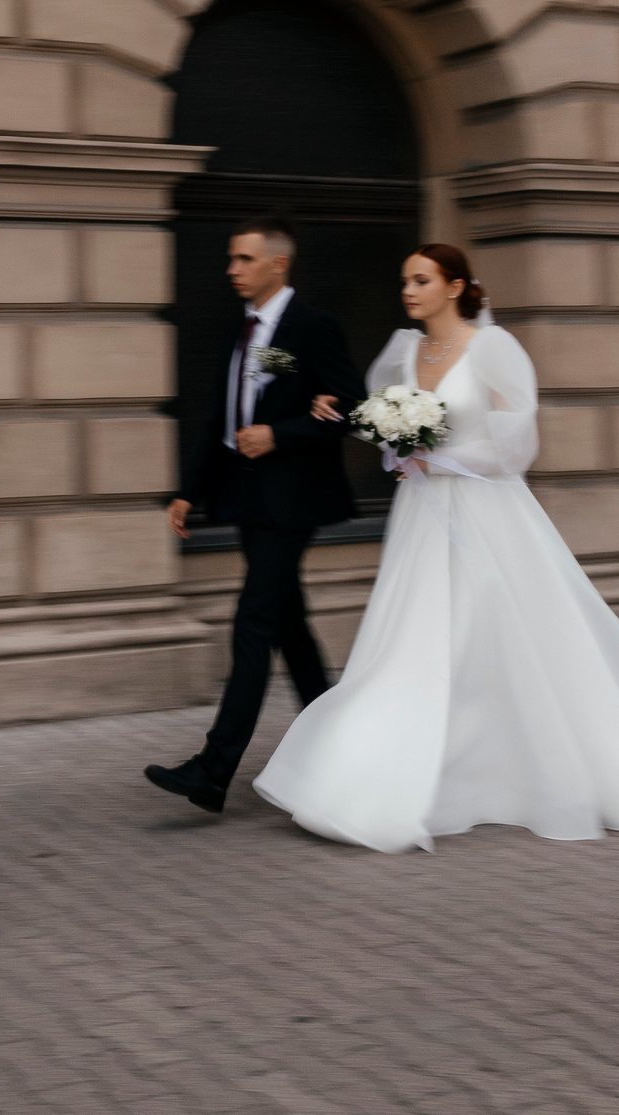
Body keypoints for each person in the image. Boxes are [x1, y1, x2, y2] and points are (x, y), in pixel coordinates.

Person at [252, 243, 619, 852]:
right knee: (415, 638)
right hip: (422, 517)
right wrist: (379, 434)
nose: (408, 290)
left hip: (488, 511)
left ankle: (547, 770)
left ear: (454, 287)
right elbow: (379, 422)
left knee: (508, 633)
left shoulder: (493, 347)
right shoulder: (406, 350)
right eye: (404, 280)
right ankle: (384, 775)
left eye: (421, 279)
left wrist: (441, 455)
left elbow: (516, 447)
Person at [144, 217, 363, 814]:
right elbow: (224, 414)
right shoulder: (245, 332)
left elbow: (351, 406)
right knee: (289, 628)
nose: (231, 270)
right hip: (247, 498)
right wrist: (190, 489)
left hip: (293, 500)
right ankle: (339, 742)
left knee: (254, 623)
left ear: (277, 264)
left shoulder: (313, 327)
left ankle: (213, 771)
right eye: (231, 259)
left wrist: (282, 433)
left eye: (243, 259)